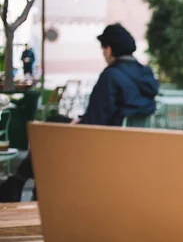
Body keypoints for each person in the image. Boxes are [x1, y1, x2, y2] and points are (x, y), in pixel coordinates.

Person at [0, 23, 159, 202]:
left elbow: (94, 124)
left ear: (108, 49)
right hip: (127, 146)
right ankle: (20, 184)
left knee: (49, 130)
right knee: (55, 122)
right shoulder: (145, 75)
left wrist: (78, 123)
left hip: (102, 146)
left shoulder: (111, 75)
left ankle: (20, 184)